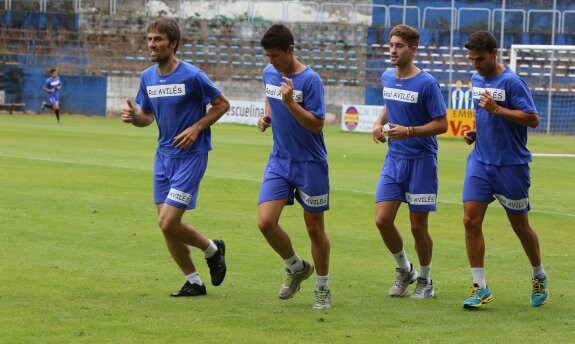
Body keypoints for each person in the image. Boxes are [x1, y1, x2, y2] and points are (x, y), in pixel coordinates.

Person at [120, 17, 229, 297]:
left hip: (191, 157)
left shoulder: (192, 76)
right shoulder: (147, 77)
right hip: (163, 157)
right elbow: (146, 117)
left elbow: (222, 104)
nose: (152, 45)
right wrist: (134, 118)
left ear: (173, 42)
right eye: (149, 39)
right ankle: (193, 281)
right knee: (168, 227)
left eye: (157, 39)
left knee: (167, 222)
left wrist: (196, 127)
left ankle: (212, 250)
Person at [461, 31, 548, 309]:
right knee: (470, 221)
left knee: (520, 227)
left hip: (511, 166)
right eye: (472, 59)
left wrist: (497, 110)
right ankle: (480, 287)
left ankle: (538, 274)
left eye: (481, 59)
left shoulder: (512, 81)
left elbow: (532, 119)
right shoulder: (476, 79)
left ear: (495, 53)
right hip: (480, 161)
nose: (476, 64)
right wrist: (477, 132)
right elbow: (484, 113)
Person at [256, 24, 332, 309]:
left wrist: (290, 104)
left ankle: (322, 287)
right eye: (267, 56)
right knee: (265, 222)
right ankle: (296, 266)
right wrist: (268, 117)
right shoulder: (269, 73)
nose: (271, 61)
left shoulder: (311, 80)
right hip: (280, 160)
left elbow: (317, 124)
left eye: (275, 55)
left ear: (290, 50)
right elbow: (270, 96)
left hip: (310, 163)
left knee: (314, 229)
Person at [371, 24, 448, 299]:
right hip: (395, 159)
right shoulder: (387, 77)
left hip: (422, 162)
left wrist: (409, 131)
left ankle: (426, 280)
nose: (393, 50)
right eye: (391, 45)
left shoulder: (427, 83)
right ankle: (405, 270)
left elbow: (442, 124)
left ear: (413, 50)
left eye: (399, 46)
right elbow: (390, 102)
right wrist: (379, 123)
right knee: (382, 220)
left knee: (418, 226)